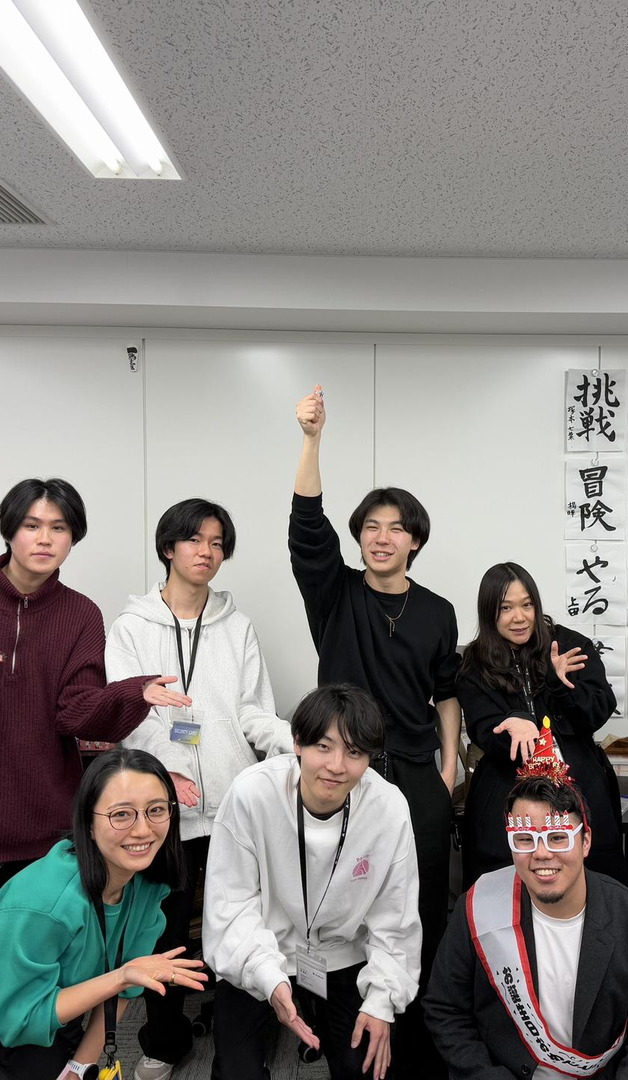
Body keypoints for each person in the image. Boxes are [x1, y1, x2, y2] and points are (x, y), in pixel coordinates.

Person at [0, 477, 180, 920]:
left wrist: (132, 694)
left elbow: (76, 713)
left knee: (37, 950)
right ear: (9, 531)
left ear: (73, 538)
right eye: (32, 525)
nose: (45, 539)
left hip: (43, 823)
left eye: (59, 528)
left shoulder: (81, 613)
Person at [289, 385, 460, 1075]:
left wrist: (449, 768)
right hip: (344, 772)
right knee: (340, 904)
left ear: (415, 540)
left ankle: (414, 1031)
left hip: (417, 771)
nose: (381, 537)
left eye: (395, 528)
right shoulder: (335, 593)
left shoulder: (438, 610)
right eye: (370, 527)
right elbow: (307, 526)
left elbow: (447, 692)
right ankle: (343, 1032)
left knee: (419, 905)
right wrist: (311, 441)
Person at [0, 748, 205, 1079]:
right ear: (88, 823)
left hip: (30, 1004)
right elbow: (28, 1014)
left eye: (156, 810)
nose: (143, 830)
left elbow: (126, 988)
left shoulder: (146, 885)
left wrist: (79, 1066)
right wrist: (121, 975)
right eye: (121, 814)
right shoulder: (51, 900)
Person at [107, 496, 294, 1078]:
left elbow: (252, 710)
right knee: (163, 928)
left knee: (243, 922)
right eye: (194, 540)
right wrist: (168, 768)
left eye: (216, 543)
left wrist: (294, 740)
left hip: (233, 805)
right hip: (161, 809)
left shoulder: (236, 626)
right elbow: (128, 712)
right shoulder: (132, 626)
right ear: (169, 547)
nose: (206, 552)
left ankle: (247, 1036)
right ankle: (165, 1041)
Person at [203, 684, 421, 1080]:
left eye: (354, 752)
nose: (336, 766)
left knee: (367, 1065)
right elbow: (231, 906)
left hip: (342, 953)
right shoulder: (252, 794)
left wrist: (382, 1001)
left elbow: (396, 919)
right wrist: (268, 978)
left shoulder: (388, 808)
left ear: (369, 758)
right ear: (297, 742)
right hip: (260, 947)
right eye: (323, 746)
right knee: (236, 1072)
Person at [425, 761, 628, 1079]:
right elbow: (446, 1009)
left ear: (586, 841)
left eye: (558, 837)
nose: (541, 854)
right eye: (525, 839)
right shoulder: (478, 907)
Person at [456, 562, 625, 888]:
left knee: (594, 885)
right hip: (508, 794)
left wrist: (559, 686)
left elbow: (598, 711)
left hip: (580, 788)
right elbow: (484, 731)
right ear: (489, 612)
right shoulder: (475, 663)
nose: (519, 617)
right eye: (505, 608)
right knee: (508, 890)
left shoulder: (570, 646)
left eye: (527, 605)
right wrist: (517, 722)